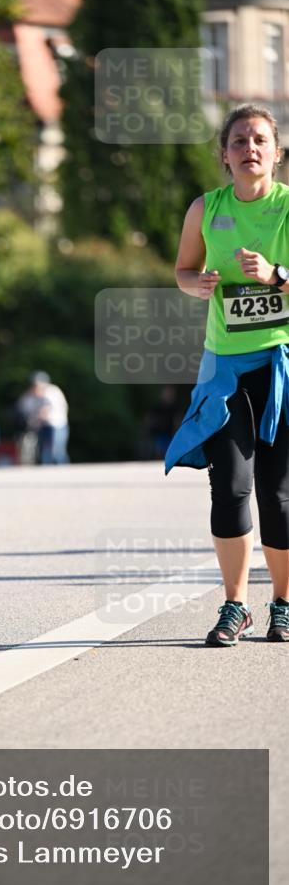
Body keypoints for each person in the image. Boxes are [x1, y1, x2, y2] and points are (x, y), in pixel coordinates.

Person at [166, 103, 289, 646]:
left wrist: (277, 275)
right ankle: (235, 605)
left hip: (281, 367)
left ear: (276, 153)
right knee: (231, 489)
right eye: (239, 141)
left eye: (260, 140)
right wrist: (194, 285)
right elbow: (184, 270)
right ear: (224, 155)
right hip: (225, 370)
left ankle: (282, 604)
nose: (250, 149)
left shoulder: (288, 208)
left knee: (279, 494)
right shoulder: (205, 208)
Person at [16, 371, 69, 465]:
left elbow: (46, 410)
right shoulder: (30, 395)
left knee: (57, 451)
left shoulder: (52, 392)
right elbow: (23, 406)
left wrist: (35, 417)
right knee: (43, 451)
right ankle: (47, 475)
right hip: (42, 426)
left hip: (57, 425)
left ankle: (63, 472)